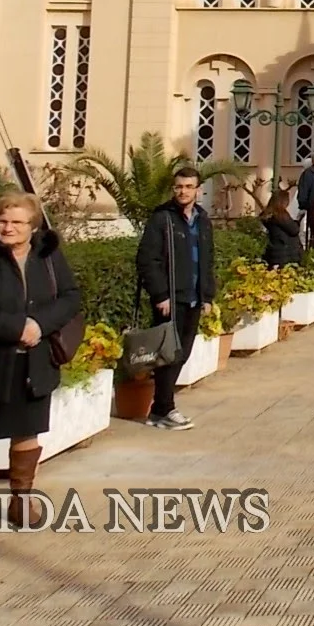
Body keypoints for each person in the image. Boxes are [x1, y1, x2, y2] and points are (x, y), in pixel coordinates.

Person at [0, 190, 82, 529]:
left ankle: (21, 501)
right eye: (2, 220)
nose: (7, 228)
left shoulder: (49, 257)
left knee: (27, 432)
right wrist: (15, 327)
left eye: (16, 222)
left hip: (33, 362)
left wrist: (40, 325)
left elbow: (70, 297)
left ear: (33, 227)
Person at [135, 166, 215, 430]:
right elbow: (148, 259)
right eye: (179, 187)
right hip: (170, 298)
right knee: (168, 354)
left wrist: (207, 295)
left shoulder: (202, 219)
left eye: (189, 187)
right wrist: (160, 294)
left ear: (197, 189)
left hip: (194, 296)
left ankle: (159, 409)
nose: (183, 191)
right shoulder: (162, 218)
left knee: (182, 353)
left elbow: (207, 259)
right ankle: (165, 408)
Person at [260, 189, 303, 269]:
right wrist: (297, 221)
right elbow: (294, 230)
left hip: (275, 252)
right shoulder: (281, 215)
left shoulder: (268, 215)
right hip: (286, 253)